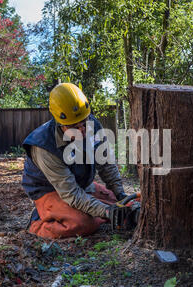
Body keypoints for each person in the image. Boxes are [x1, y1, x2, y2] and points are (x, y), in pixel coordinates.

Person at [22, 83, 135, 239]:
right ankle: (38, 224)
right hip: (51, 190)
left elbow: (106, 163)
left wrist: (120, 193)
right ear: (60, 124)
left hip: (81, 184)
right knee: (82, 223)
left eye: (84, 123)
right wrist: (106, 212)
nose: (82, 130)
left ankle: (95, 210)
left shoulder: (92, 125)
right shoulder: (43, 146)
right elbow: (71, 193)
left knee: (122, 205)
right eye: (74, 127)